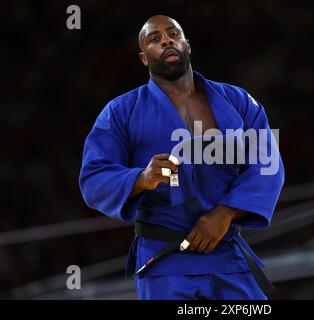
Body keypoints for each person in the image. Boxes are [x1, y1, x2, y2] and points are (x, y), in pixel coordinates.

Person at [79, 15, 284, 300]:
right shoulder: (120, 112)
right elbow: (93, 178)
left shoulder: (236, 101)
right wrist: (141, 178)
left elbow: (268, 162)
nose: (166, 40)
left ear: (187, 44)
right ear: (143, 58)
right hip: (165, 259)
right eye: (154, 39)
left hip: (226, 253)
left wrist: (225, 213)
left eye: (173, 34)